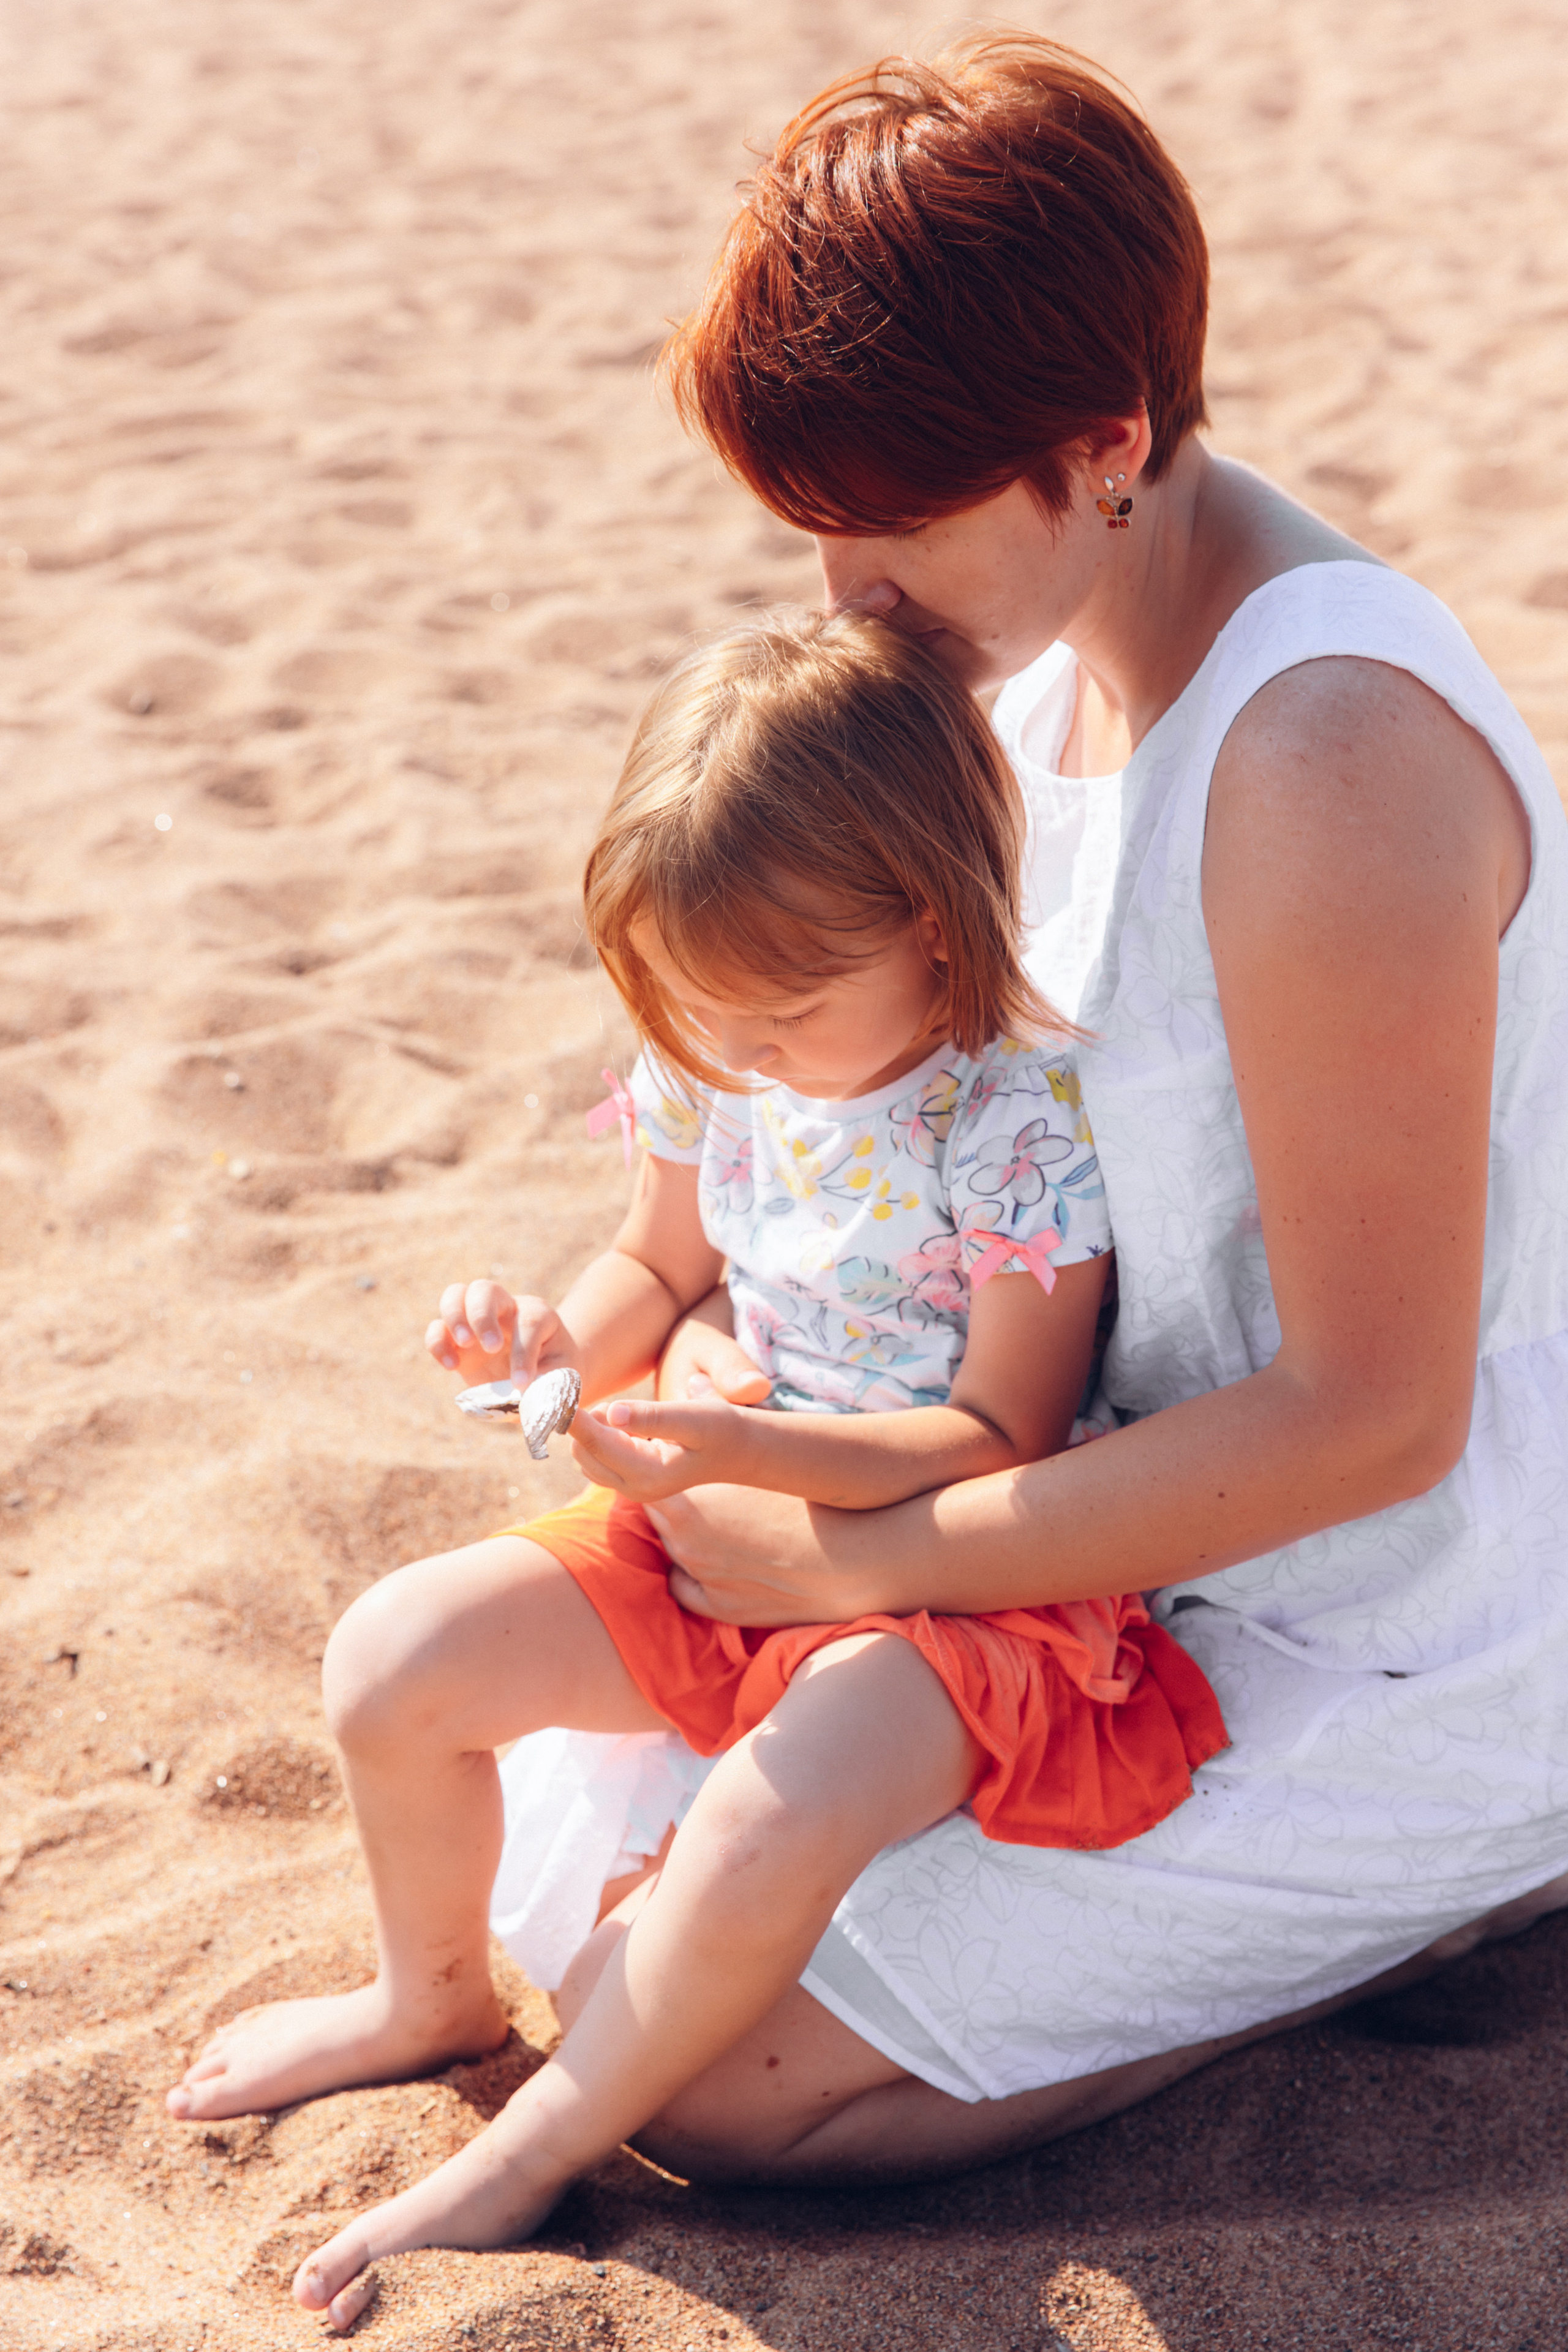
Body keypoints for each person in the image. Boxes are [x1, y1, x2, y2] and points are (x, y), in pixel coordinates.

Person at [169, 27, 1568, 2329]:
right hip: (1069, 1520)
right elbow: (868, 1131)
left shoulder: (1324, 766)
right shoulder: (1022, 648)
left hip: (1366, 1603)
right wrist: (706, 1335)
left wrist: (855, 1542)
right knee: (575, 1879)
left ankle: (1436, 1891)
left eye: (879, 522)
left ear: (1103, 447)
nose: (837, 589)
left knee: (718, 2091)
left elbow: (1372, 1421)